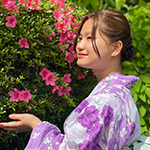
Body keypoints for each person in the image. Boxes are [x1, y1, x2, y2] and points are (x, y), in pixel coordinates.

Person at [0, 9, 141, 150]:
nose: (79, 45)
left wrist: (36, 124)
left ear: (116, 48)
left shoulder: (106, 99)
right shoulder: (121, 93)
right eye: (80, 38)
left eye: (90, 38)